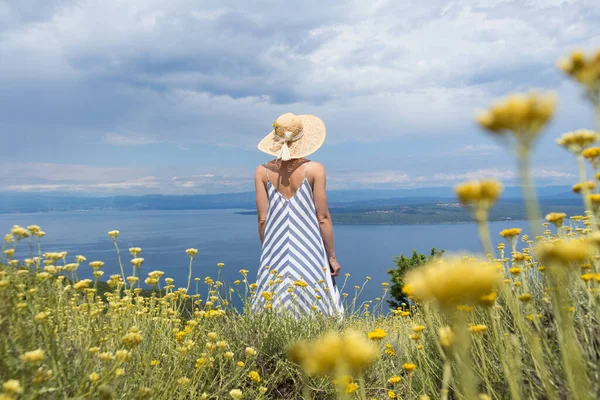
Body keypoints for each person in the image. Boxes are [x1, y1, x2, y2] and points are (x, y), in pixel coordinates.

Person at [251, 112, 343, 317]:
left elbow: (262, 219)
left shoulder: (261, 172)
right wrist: (332, 257)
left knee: (273, 309)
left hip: (275, 251)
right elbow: (323, 217)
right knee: (317, 308)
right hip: (310, 251)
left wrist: (269, 252)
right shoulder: (315, 169)